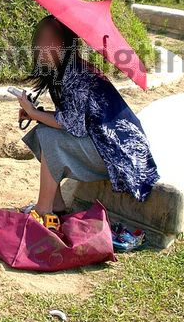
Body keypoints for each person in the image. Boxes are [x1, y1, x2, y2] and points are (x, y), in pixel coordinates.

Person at [16, 15, 158, 229]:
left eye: (48, 41)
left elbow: (70, 124)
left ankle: (43, 210)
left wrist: (34, 112)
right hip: (104, 143)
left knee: (48, 136)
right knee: (43, 130)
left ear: (63, 44)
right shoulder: (65, 71)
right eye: (40, 40)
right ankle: (56, 203)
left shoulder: (77, 76)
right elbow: (75, 116)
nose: (40, 47)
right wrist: (35, 113)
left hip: (119, 155)